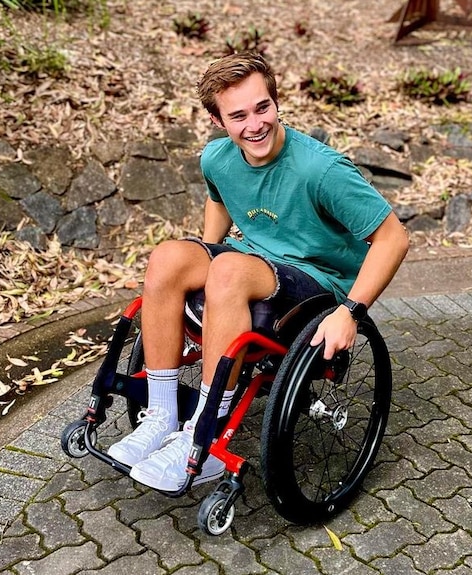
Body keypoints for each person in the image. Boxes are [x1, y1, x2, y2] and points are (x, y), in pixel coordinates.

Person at [108, 51, 409, 491]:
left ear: (276, 101)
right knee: (168, 258)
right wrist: (206, 254)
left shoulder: (320, 170)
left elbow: (394, 238)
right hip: (251, 261)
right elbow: (219, 195)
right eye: (238, 115)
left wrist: (350, 312)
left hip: (317, 279)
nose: (255, 125)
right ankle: (161, 415)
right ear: (218, 122)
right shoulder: (217, 159)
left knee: (227, 270)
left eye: (262, 107)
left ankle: (204, 437)